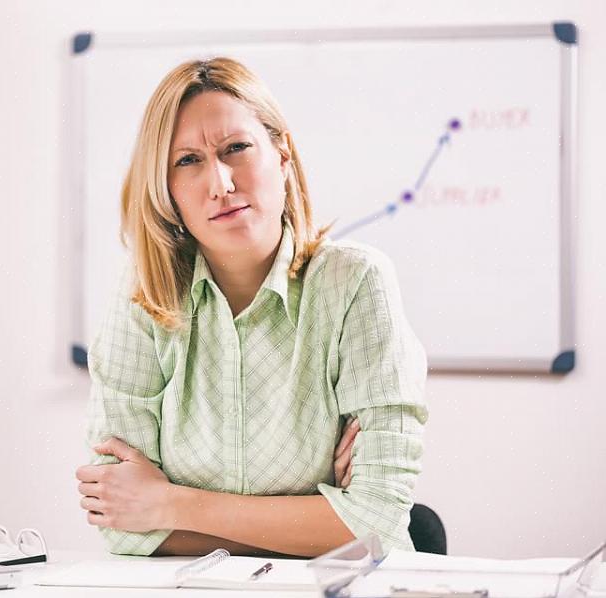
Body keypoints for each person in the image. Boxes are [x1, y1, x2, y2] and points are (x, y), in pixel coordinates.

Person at [75, 57, 428, 558]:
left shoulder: (355, 283)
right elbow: (121, 522)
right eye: (187, 161)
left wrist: (168, 503)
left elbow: (376, 520)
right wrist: (318, 519)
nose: (219, 183)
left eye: (236, 148)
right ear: (168, 190)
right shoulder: (144, 294)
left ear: (282, 155)